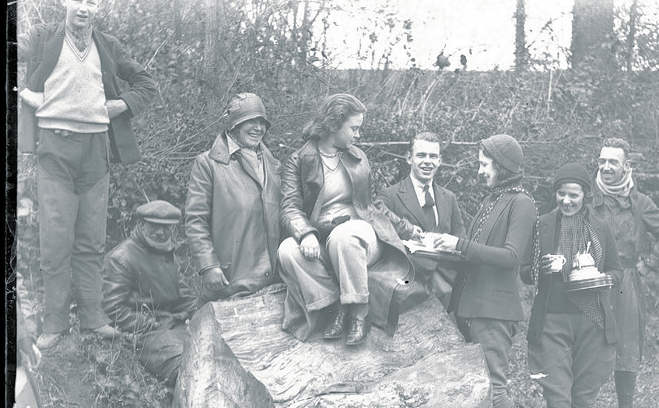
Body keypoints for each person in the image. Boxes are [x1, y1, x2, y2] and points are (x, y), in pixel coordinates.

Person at [17, 0, 158, 349]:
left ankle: (94, 319)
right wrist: (25, 94)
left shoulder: (108, 46)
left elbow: (145, 82)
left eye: (91, 1)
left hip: (96, 152)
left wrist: (122, 104)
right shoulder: (43, 37)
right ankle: (55, 324)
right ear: (65, 1)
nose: (83, 7)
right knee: (55, 240)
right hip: (55, 149)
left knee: (91, 240)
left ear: (99, 6)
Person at [433, 134, 538, 408]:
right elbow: (474, 255)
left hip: (494, 311)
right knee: (478, 389)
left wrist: (459, 245)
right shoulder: (492, 199)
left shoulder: (522, 204)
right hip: (468, 306)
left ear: (502, 166)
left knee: (496, 387)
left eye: (484, 164)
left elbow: (511, 258)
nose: (480, 171)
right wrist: (438, 248)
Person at [278, 93, 424, 346]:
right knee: (288, 250)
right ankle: (334, 305)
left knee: (346, 234)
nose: (358, 135)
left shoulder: (357, 157)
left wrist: (407, 229)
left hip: (362, 239)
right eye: (354, 128)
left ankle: (359, 313)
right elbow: (289, 206)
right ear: (334, 125)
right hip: (323, 240)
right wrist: (306, 233)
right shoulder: (299, 160)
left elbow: (371, 206)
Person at [524, 163, 622, 408]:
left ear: (586, 196)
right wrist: (542, 267)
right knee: (557, 397)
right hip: (552, 319)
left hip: (593, 320)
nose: (566, 200)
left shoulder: (601, 227)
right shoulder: (543, 224)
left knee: (583, 398)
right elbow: (525, 271)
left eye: (573, 195)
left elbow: (617, 272)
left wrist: (600, 276)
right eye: (561, 194)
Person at [589, 138, 659, 408]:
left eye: (613, 162)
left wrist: (649, 263)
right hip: (590, 280)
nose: (605, 167)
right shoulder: (588, 198)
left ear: (627, 166)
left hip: (626, 284)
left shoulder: (640, 203)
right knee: (585, 342)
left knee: (627, 346)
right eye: (602, 161)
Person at [186, 92, 282, 305]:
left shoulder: (273, 165)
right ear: (234, 125)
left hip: (274, 282)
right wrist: (208, 265)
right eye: (250, 121)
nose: (258, 128)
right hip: (230, 282)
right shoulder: (208, 164)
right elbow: (196, 220)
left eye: (262, 122)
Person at [103, 201, 197, 386]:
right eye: (155, 226)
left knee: (211, 354)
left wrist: (200, 312)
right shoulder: (121, 258)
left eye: (166, 227)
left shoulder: (165, 249)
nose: (161, 233)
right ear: (142, 224)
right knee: (187, 369)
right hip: (149, 334)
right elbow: (113, 309)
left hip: (174, 323)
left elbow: (182, 294)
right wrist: (149, 323)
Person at [376, 131, 465, 308]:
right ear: (409, 158)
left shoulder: (449, 198)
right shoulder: (390, 196)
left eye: (433, 156)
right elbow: (380, 235)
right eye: (421, 155)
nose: (427, 162)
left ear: (439, 161)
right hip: (409, 281)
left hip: (447, 284)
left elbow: (461, 240)